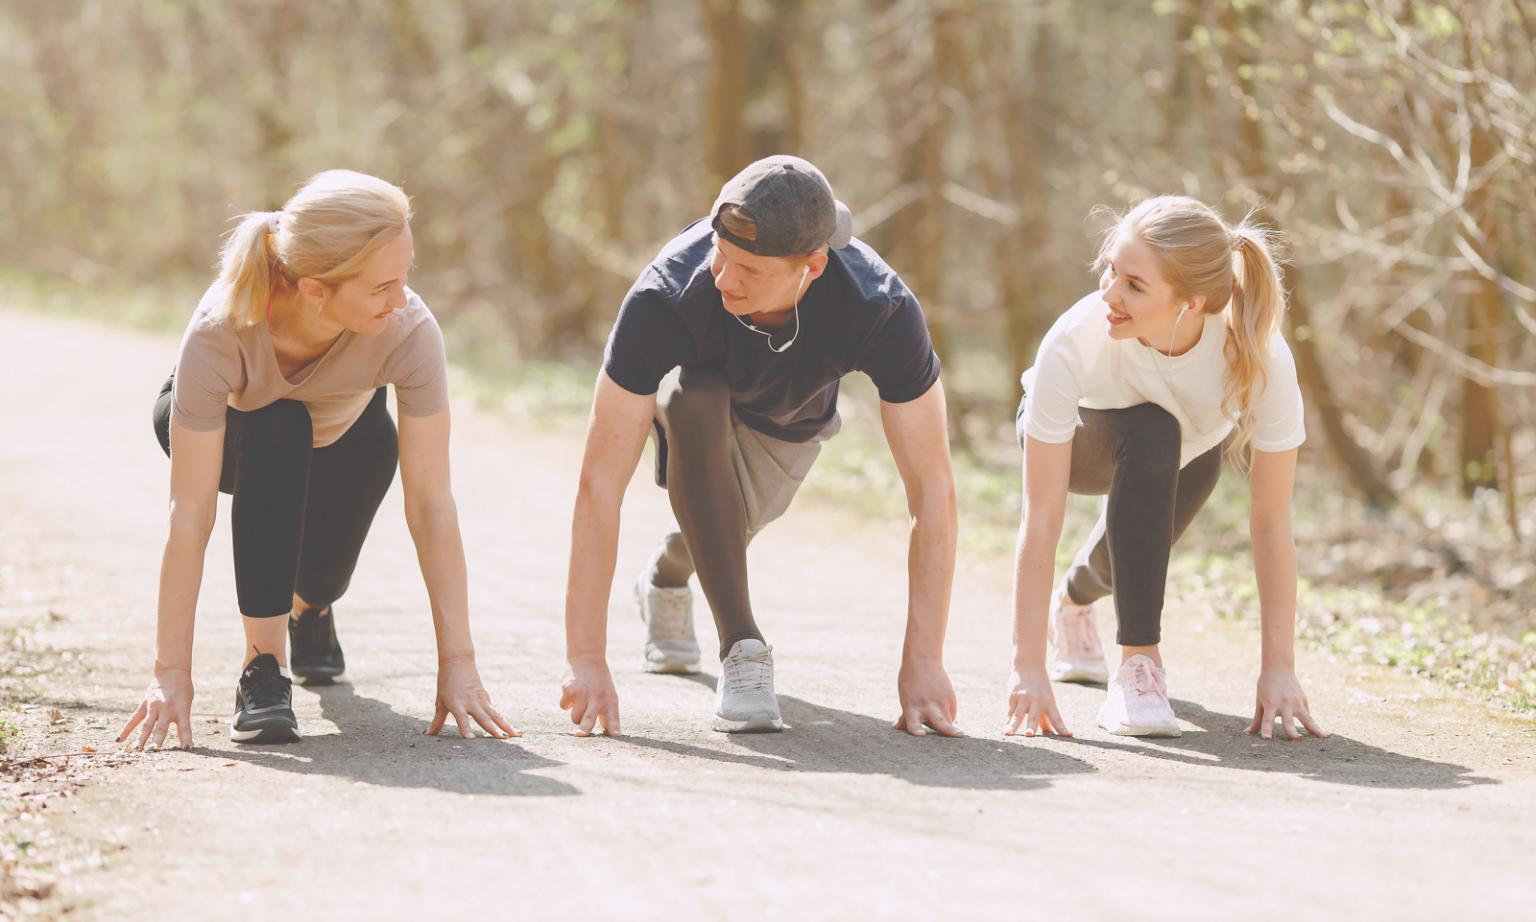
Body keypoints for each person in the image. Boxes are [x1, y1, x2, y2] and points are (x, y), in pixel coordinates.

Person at [558, 155, 961, 736]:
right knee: (697, 396)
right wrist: (586, 659)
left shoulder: (879, 308)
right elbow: (598, 484)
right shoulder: (666, 295)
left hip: (787, 426)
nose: (724, 278)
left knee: (716, 536)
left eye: (749, 269)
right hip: (694, 402)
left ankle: (665, 578)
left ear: (813, 265)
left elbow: (933, 489)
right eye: (720, 254)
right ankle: (743, 651)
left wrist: (924, 665)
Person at [118, 170, 517, 748]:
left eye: (404, 277)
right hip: (235, 433)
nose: (401, 298)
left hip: (348, 434)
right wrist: (169, 675)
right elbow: (191, 512)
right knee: (279, 426)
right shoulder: (222, 328)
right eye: (381, 286)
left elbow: (432, 504)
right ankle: (264, 670)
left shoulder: (407, 330)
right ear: (315, 290)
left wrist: (459, 662)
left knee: (324, 576)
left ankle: (309, 611)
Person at [1003, 195, 1327, 741]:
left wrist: (1279, 669)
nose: (1109, 292)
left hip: (1183, 454)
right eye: (1111, 270)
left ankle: (1074, 602)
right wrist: (1027, 669)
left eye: (1134, 284)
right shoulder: (1076, 337)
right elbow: (1041, 518)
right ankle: (1139, 670)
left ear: (1190, 303)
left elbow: (1272, 524)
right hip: (1080, 439)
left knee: (1132, 550)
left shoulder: (1258, 355)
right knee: (1152, 429)